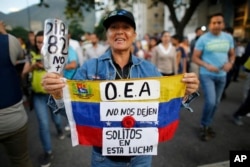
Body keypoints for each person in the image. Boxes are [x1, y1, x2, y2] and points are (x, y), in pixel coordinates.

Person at [41, 9, 199, 167]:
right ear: (107, 34)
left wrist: (185, 93)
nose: (120, 32)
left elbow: (165, 108)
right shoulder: (89, 69)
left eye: (126, 27)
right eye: (114, 27)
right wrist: (57, 95)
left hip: (141, 158)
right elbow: (72, 112)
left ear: (134, 35)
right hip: (104, 159)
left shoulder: (149, 70)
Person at [22, 31, 64, 167]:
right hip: (38, 95)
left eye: (43, 42)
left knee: (57, 118)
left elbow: (60, 75)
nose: (40, 45)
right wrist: (32, 67)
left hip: (52, 94)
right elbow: (23, 73)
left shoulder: (55, 55)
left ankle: (59, 129)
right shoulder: (31, 55)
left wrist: (48, 68)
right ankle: (48, 151)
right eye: (38, 42)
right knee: (43, 124)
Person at [192, 13, 235, 141]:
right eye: (214, 22)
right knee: (210, 101)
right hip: (207, 75)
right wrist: (206, 65)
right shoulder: (203, 39)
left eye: (219, 22)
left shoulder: (228, 38)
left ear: (223, 24)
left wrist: (230, 63)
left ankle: (208, 123)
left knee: (216, 103)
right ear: (210, 24)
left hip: (222, 76)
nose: (216, 25)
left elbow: (232, 55)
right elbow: (195, 58)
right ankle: (204, 125)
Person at [0, 21, 33, 167]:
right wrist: (3, 32)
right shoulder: (8, 41)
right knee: (21, 160)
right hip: (13, 119)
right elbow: (19, 55)